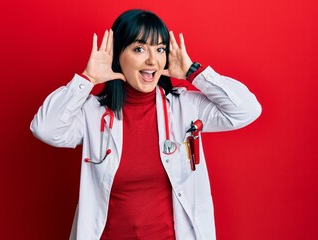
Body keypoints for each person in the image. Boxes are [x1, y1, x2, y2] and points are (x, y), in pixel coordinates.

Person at [30, 9, 261, 240]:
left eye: (160, 49)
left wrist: (194, 73)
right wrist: (87, 79)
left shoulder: (185, 107)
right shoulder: (92, 113)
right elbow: (46, 129)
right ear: (118, 56)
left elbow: (246, 110)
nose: (153, 60)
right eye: (139, 49)